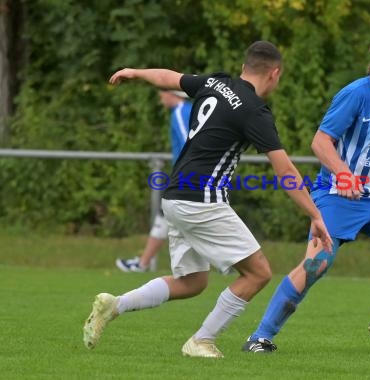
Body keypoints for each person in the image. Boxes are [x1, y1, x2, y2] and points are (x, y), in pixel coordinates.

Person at [83, 41, 333, 358]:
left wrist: (135, 72)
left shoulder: (215, 83)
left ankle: (115, 305)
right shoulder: (254, 110)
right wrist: (315, 214)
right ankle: (201, 340)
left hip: (174, 197)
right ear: (274, 73)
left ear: (244, 67)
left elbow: (168, 77)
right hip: (201, 200)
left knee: (193, 282)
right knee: (258, 273)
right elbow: (285, 170)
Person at [242, 32, 370, 355]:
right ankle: (260, 337)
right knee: (316, 265)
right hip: (335, 195)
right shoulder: (355, 94)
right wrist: (346, 175)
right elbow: (320, 142)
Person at [115, 89, 192, 272]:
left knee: (177, 216)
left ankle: (142, 263)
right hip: (189, 174)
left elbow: (189, 144)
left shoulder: (181, 112)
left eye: (162, 94)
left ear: (173, 94)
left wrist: (184, 174)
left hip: (186, 175)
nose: (160, 98)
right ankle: (143, 263)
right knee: (167, 216)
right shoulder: (186, 110)